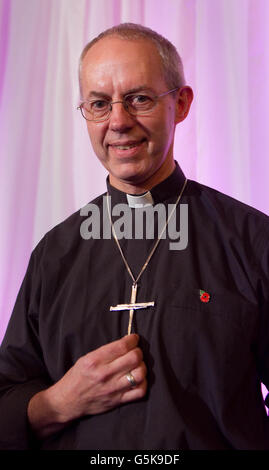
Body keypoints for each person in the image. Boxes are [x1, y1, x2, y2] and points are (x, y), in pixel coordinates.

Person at [0, 23, 269, 451]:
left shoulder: (252, 241)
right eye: (99, 104)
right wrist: (57, 403)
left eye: (139, 99)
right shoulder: (54, 254)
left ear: (180, 104)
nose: (118, 122)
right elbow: (6, 398)